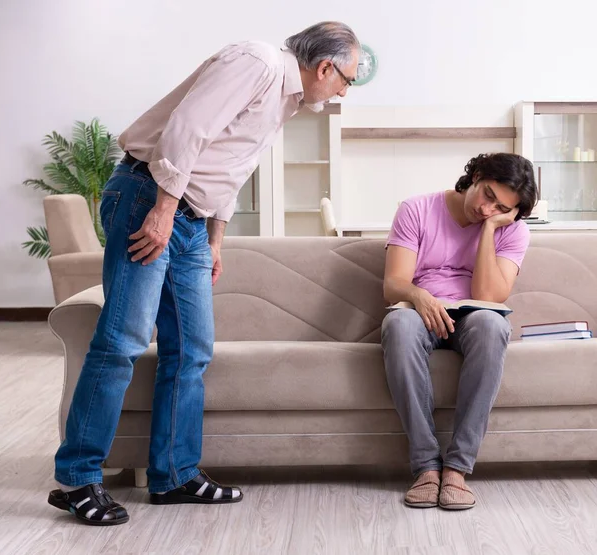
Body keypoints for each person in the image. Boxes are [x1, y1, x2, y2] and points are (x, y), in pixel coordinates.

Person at [48, 21, 360, 526]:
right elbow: (188, 129)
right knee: (124, 340)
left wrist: (214, 238)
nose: (346, 89)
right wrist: (164, 211)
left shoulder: (287, 100)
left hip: (191, 220)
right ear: (325, 67)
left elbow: (232, 165)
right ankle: (77, 478)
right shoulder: (257, 63)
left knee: (192, 348)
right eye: (347, 78)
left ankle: (173, 475)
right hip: (151, 197)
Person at [381, 153, 538, 510]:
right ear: (476, 175)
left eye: (499, 207)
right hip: (420, 310)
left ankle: (456, 470)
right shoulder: (416, 209)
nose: (486, 209)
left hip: (472, 315)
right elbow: (394, 284)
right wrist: (421, 296)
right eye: (486, 195)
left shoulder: (512, 230)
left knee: (491, 323)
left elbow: (488, 297)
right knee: (398, 323)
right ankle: (426, 468)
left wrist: (489, 230)